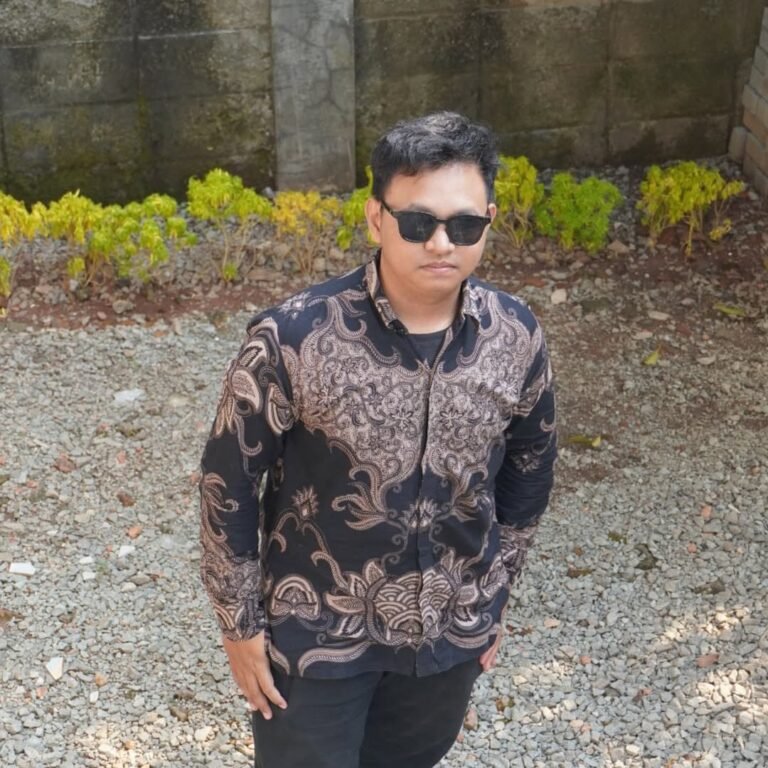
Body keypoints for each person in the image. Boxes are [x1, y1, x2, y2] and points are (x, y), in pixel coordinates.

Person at [199, 111, 557, 768]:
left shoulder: (517, 336)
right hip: (315, 637)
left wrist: (494, 593)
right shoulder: (293, 337)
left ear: (490, 221)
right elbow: (229, 481)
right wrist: (239, 625)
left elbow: (530, 468)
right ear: (376, 218)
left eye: (465, 225)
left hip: (447, 639)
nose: (442, 243)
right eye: (418, 223)